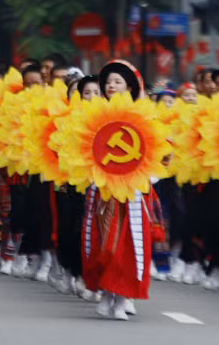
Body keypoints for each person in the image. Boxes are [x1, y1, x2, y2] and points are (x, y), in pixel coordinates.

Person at [82, 60, 155, 321]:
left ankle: (122, 297)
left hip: (133, 191)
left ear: (130, 87)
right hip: (102, 190)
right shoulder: (93, 114)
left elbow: (159, 147)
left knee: (129, 245)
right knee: (104, 244)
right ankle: (106, 292)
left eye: (117, 82)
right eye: (108, 82)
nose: (111, 86)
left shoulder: (144, 115)